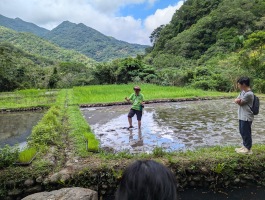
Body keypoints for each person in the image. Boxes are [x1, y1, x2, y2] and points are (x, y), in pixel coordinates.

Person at [234, 77, 254, 154]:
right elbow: (237, 99)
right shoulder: (243, 92)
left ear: (244, 84)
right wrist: (238, 100)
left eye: (239, 84)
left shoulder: (249, 94)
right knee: (242, 131)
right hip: (241, 115)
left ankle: (248, 149)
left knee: (246, 132)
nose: (238, 86)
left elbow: (240, 102)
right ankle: (244, 146)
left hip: (247, 116)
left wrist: (238, 100)